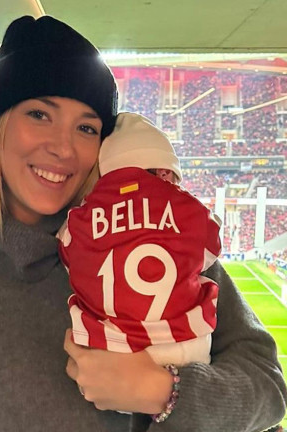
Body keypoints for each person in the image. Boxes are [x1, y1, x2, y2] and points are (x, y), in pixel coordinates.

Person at [0, 15, 287, 432]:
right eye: (39, 114)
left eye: (86, 127)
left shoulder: (162, 241)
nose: (63, 147)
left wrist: (164, 391)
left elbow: (268, 389)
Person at [58, 112, 222, 368]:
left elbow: (68, 253)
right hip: (187, 343)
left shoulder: (80, 219)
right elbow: (212, 244)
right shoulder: (187, 209)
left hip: (106, 348)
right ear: (166, 173)